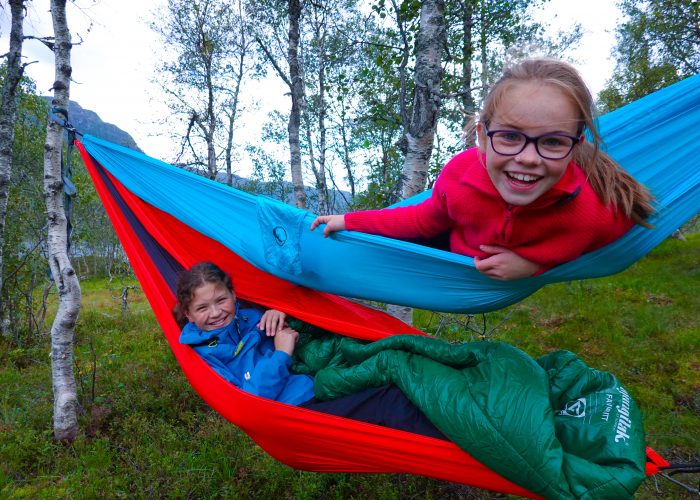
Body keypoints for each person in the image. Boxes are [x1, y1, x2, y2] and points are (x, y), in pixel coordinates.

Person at [311, 58, 654, 280]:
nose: (529, 158)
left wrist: (536, 266)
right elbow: (420, 220)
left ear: (575, 147)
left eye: (552, 142)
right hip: (448, 252)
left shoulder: (588, 213)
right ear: (482, 136)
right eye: (509, 136)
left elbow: (619, 233)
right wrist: (350, 220)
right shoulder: (461, 177)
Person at [174, 262, 445, 438]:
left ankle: (448, 396)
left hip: (317, 380)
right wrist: (281, 354)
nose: (216, 312)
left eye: (221, 300)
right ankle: (458, 442)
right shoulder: (202, 355)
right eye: (202, 307)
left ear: (234, 295)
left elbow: (300, 316)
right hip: (297, 413)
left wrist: (281, 312)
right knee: (389, 403)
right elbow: (250, 401)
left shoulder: (250, 316)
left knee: (393, 368)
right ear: (188, 313)